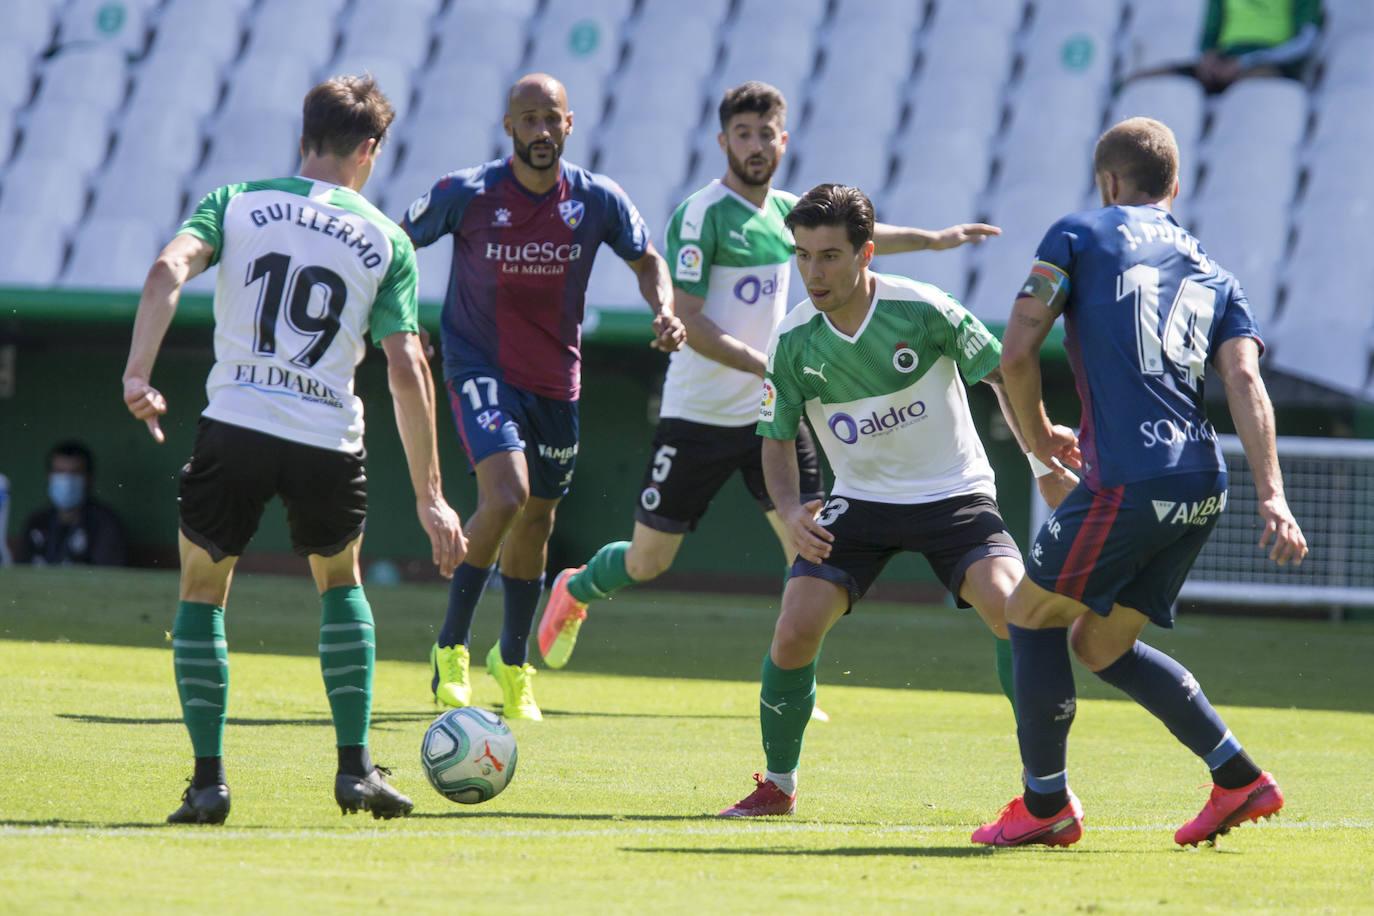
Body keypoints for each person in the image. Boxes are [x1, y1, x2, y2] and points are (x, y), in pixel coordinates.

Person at [537, 83, 1005, 693]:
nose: (755, 146)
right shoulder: (701, 214)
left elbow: (863, 237)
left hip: (775, 420)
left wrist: (935, 240)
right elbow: (695, 323)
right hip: (701, 413)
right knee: (649, 560)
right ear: (723, 141)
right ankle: (574, 588)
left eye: (766, 134)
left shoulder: (786, 214)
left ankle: (794, 688)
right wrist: (770, 367)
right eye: (743, 134)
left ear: (783, 140)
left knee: (808, 549)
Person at [122, 75, 466, 825]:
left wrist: (138, 373)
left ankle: (209, 784)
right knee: (340, 584)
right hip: (325, 436)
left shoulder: (235, 200)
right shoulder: (388, 240)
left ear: (304, 134)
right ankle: (355, 772)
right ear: (369, 150)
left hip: (236, 423)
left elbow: (163, 270)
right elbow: (407, 369)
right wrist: (432, 496)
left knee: (203, 593)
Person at [972, 117, 1308, 848]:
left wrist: (1036, 439)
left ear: (1108, 183)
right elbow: (1247, 379)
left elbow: (1019, 346)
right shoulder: (1218, 274)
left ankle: (1044, 806)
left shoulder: (1080, 235)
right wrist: (1273, 495)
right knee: (1100, 646)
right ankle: (1238, 779)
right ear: (1175, 188)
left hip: (1131, 477)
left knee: (1031, 616)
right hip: (1202, 480)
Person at [716, 184, 1072, 817]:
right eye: (802, 255)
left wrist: (1041, 463)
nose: (812, 272)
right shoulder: (794, 341)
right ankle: (778, 784)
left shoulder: (925, 309)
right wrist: (794, 508)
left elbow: (1001, 377)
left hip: (954, 494)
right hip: (860, 502)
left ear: (866, 254)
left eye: (829, 256)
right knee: (794, 630)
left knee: (1018, 617)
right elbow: (774, 441)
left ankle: (1044, 789)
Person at [401, 73, 685, 721]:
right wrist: (396, 318)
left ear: (569, 124)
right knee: (507, 495)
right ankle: (451, 650)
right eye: (527, 119)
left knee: (537, 522)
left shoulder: (596, 199)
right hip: (479, 367)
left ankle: (513, 659)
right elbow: (395, 242)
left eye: (550, 119)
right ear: (509, 127)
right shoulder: (465, 193)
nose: (539, 131)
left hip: (556, 382)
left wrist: (664, 310)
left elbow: (647, 259)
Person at [16, 440, 129, 566]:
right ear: (48, 477)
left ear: (89, 478)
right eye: (59, 472)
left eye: (74, 473)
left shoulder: (106, 524)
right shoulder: (36, 521)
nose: (66, 480)